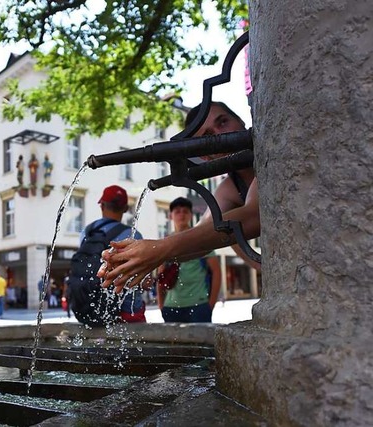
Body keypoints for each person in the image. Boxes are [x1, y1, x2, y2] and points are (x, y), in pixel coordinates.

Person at [99, 101, 260, 291]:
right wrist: (140, 253)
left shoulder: (270, 157)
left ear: (241, 120)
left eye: (223, 122)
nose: (220, 134)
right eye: (208, 136)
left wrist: (159, 249)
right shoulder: (230, 187)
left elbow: (254, 214)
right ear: (206, 156)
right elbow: (207, 231)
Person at [74, 185, 146, 323]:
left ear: (102, 206)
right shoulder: (134, 235)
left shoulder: (86, 233)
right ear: (125, 209)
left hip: (90, 308)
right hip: (127, 310)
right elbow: (143, 280)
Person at [158, 197, 222, 323]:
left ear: (191, 215)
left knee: (201, 342)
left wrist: (211, 304)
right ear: (170, 216)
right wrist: (161, 304)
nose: (181, 214)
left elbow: (216, 271)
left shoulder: (199, 239)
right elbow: (161, 275)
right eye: (177, 211)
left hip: (199, 305)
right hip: (171, 306)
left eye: (185, 211)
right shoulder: (165, 242)